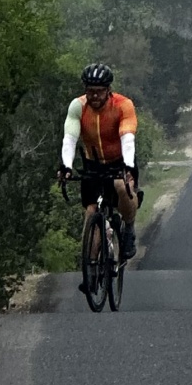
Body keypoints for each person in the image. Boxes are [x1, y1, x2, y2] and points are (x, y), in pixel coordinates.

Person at [59, 63, 141, 265]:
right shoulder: (78, 106)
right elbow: (69, 139)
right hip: (93, 163)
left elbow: (127, 137)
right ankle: (92, 266)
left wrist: (128, 166)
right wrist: (66, 166)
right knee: (91, 211)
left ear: (108, 90)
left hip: (120, 160)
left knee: (123, 187)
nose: (94, 96)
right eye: (90, 92)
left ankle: (129, 228)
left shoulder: (123, 105)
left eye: (99, 92)